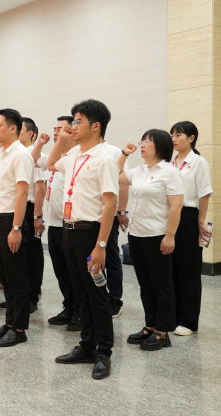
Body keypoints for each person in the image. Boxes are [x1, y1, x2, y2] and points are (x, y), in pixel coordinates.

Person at [47, 99, 118, 380]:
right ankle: (87, 346)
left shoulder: (105, 159)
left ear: (96, 126)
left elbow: (110, 205)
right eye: (73, 121)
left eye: (78, 122)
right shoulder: (74, 155)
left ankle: (104, 352)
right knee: (81, 293)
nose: (73, 126)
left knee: (97, 294)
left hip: (91, 233)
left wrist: (101, 246)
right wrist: (62, 140)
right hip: (69, 231)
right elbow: (50, 163)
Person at [117, 130, 183, 351]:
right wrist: (124, 154)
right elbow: (115, 175)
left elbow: (176, 206)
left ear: (161, 146)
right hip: (136, 234)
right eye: (142, 140)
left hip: (157, 235)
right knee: (145, 284)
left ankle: (163, 332)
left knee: (161, 285)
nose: (142, 145)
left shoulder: (170, 172)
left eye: (148, 141)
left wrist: (170, 235)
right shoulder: (140, 170)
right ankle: (150, 326)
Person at [0, 109, 34, 347]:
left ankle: (19, 329)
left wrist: (16, 228)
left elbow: (22, 193)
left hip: (11, 221)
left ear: (13, 128)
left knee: (16, 277)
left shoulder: (20, 154)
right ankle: (10, 323)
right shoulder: (0, 152)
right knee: (5, 277)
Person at [31, 116, 81, 330]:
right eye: (54, 129)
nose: (55, 133)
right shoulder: (56, 157)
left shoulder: (77, 156)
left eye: (61, 129)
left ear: (72, 132)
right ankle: (68, 307)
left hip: (73, 225)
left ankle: (80, 312)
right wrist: (40, 143)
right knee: (61, 271)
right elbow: (32, 159)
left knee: (75, 273)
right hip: (54, 224)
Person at [170, 121, 213, 336]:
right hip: (170, 216)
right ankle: (174, 315)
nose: (174, 139)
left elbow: (204, 193)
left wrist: (200, 221)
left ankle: (188, 321)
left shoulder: (198, 162)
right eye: (172, 135)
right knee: (171, 268)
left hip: (188, 217)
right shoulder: (169, 161)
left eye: (178, 135)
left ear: (191, 138)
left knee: (189, 269)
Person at [99, 131, 131, 318]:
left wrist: (121, 211)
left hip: (108, 214)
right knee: (91, 258)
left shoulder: (114, 152)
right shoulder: (81, 153)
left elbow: (123, 184)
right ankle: (98, 296)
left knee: (110, 256)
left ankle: (114, 300)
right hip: (88, 216)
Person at [18, 117, 46, 313]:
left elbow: (40, 188)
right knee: (19, 254)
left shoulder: (36, 156)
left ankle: (32, 297)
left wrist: (37, 217)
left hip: (30, 209)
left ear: (30, 134)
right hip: (17, 208)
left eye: (18, 130)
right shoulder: (17, 154)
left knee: (32, 254)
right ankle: (20, 295)